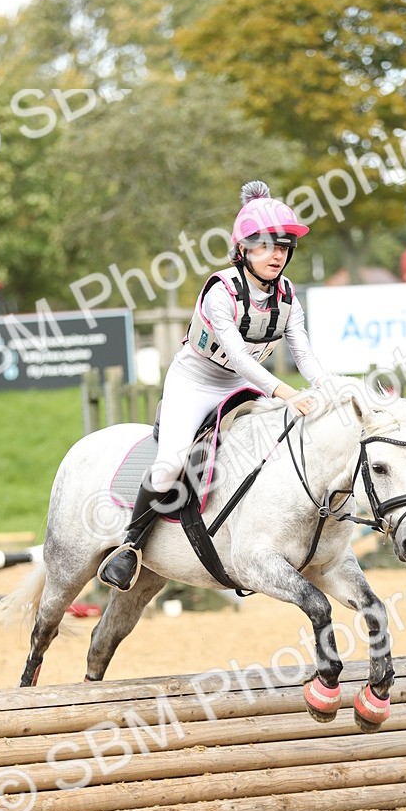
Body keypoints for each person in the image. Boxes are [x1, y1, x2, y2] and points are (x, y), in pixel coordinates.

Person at [98, 181, 328, 591]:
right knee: (171, 464)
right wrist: (286, 393)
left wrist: (330, 388)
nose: (276, 255)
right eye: (264, 246)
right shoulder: (221, 292)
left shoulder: (288, 297)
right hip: (195, 382)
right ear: (242, 250)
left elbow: (304, 354)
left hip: (241, 385)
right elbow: (239, 356)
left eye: (283, 246)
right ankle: (130, 546)